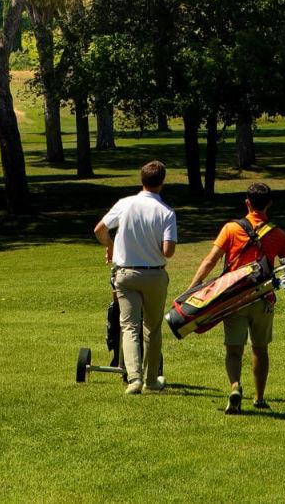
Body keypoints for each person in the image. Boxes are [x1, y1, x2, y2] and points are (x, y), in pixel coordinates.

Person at [186, 182, 285, 414]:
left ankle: (235, 386)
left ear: (247, 202)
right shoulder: (277, 234)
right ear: (269, 203)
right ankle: (259, 398)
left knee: (234, 350)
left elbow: (210, 260)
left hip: (233, 299)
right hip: (263, 299)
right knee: (260, 349)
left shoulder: (231, 229)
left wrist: (193, 288)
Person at [93, 161, 178, 396]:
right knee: (152, 327)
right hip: (154, 275)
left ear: (142, 180)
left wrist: (111, 246)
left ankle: (133, 379)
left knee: (129, 326)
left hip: (126, 273)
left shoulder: (125, 204)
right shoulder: (166, 212)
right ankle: (151, 379)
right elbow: (168, 250)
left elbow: (99, 229)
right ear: (162, 182)